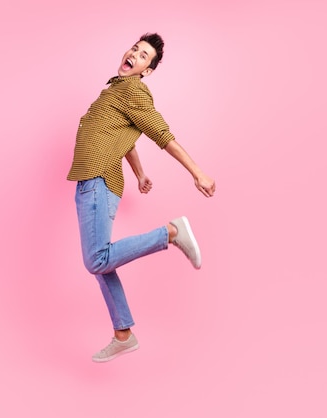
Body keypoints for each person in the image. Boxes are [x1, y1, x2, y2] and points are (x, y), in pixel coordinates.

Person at [67, 33, 216, 363]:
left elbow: (161, 134)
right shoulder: (115, 91)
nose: (134, 54)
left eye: (144, 55)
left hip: (98, 180)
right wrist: (139, 174)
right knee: (102, 262)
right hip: (90, 182)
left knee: (96, 259)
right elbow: (122, 137)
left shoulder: (134, 90)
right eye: (135, 48)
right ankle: (123, 333)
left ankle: (170, 233)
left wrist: (197, 173)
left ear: (147, 70)